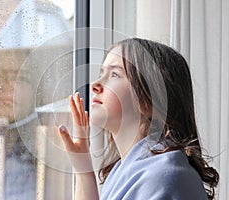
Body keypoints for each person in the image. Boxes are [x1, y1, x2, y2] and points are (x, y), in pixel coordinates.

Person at [57, 38, 219, 200]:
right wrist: (83, 167)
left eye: (114, 74)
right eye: (102, 73)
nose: (95, 85)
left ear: (151, 100)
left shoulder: (163, 176)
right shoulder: (128, 172)